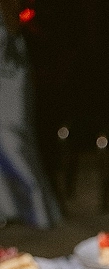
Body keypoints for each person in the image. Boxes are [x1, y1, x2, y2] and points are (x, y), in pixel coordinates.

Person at [0, 0, 60, 228]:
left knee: (13, 138)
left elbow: (28, 14)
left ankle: (39, 211)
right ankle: (7, 209)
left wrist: (24, 17)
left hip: (8, 64)